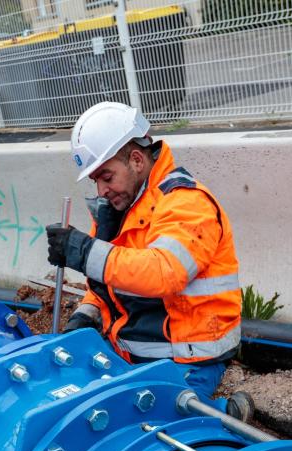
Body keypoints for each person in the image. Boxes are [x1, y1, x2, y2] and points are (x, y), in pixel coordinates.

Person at [46, 101, 253, 421]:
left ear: (137, 160)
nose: (101, 190)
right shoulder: (117, 210)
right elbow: (104, 282)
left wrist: (85, 252)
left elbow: (164, 272)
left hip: (189, 361)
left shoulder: (187, 204)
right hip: (133, 355)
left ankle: (225, 415)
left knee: (143, 426)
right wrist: (87, 315)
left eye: (107, 176)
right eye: (96, 180)